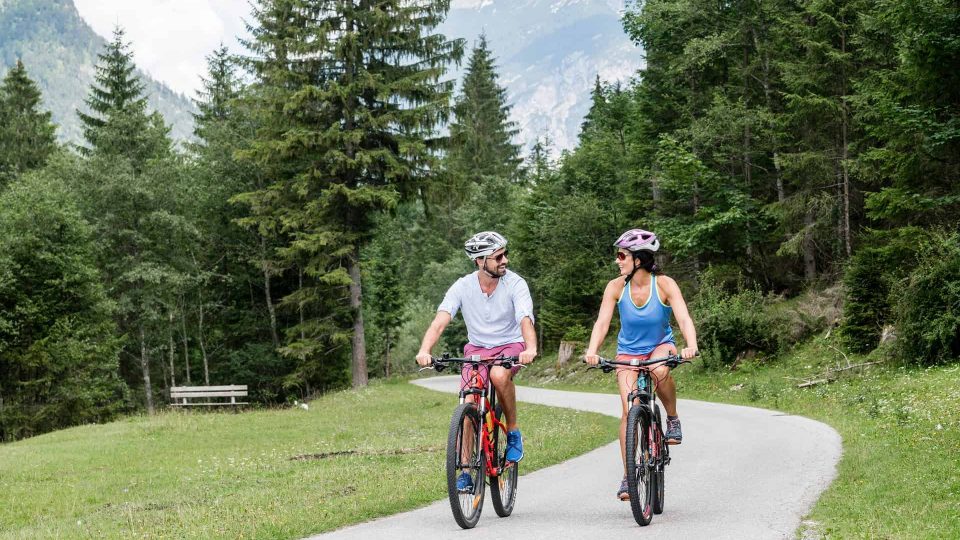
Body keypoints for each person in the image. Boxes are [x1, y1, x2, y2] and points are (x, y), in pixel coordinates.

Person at [416, 231, 538, 492]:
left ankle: (514, 432)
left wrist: (531, 347)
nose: (505, 260)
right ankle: (465, 470)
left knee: (498, 375)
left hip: (510, 344)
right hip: (477, 349)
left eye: (505, 254)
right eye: (498, 257)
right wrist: (425, 349)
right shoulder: (463, 286)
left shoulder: (515, 283)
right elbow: (441, 320)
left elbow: (525, 318)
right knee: (469, 401)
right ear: (480, 261)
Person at [583, 228, 698, 500]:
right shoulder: (615, 287)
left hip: (660, 346)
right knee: (628, 410)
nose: (617, 260)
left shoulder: (665, 285)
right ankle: (628, 475)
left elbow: (683, 318)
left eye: (621, 255)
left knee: (659, 370)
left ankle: (672, 418)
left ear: (639, 260)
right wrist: (592, 350)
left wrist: (690, 345)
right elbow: (602, 323)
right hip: (628, 353)